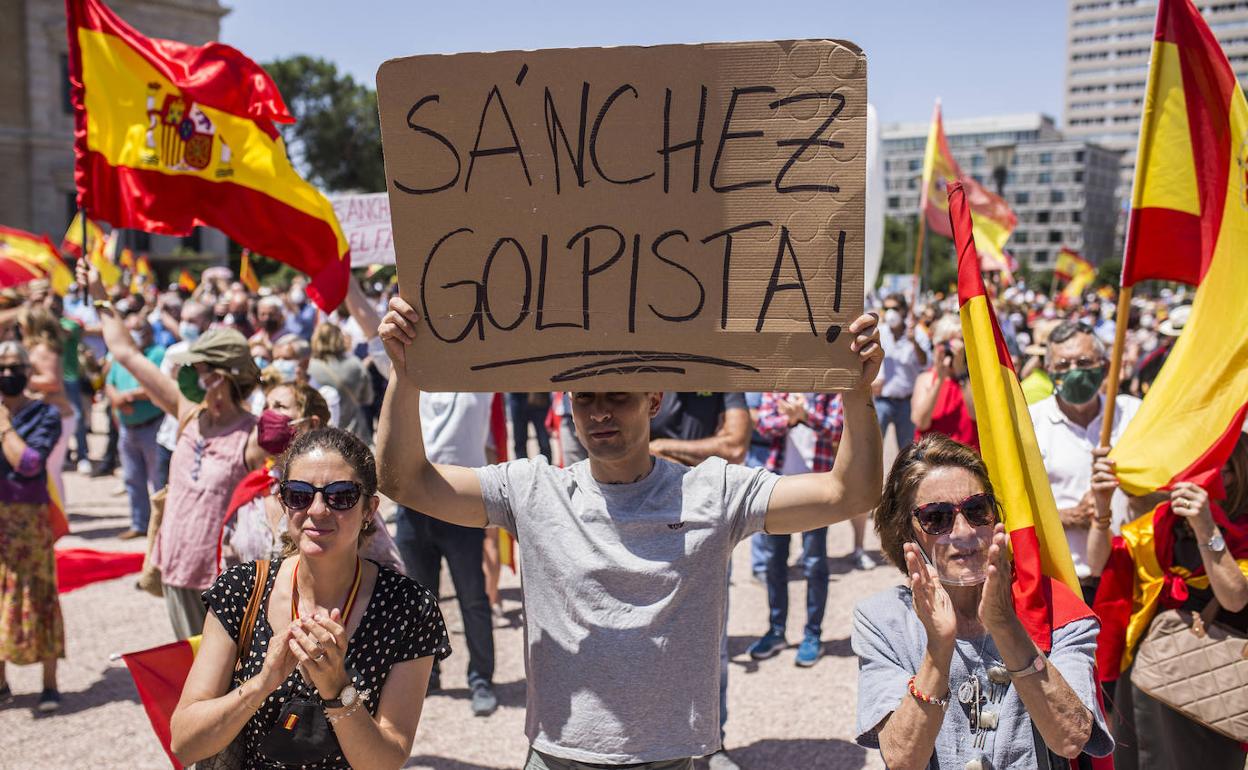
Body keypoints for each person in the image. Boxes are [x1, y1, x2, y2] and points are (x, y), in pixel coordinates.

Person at [375, 296, 884, 770]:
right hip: (557, 756)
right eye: (584, 399)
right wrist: (405, 371)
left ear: (654, 399)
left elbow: (851, 493)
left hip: (673, 756)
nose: (599, 413)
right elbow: (405, 480)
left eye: (618, 397)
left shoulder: (715, 491)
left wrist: (856, 390)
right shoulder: (532, 490)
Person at [170, 428, 450, 769]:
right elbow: (185, 743)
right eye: (300, 494)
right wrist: (261, 684)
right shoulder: (243, 589)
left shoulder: (407, 608)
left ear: (369, 509)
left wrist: (338, 689)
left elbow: (386, 761)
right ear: (283, 501)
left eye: (341, 495)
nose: (318, 509)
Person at [852, 434, 1113, 768]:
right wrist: (938, 648)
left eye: (977, 510)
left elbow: (1071, 738)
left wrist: (1005, 626)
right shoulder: (882, 620)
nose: (963, 531)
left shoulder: (1054, 606)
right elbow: (903, 759)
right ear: (907, 532)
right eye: (937, 517)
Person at [1087, 433, 1248, 770]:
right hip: (1150, 676)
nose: (1212, 478)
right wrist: (1103, 507)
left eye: (1222, 469)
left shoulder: (1240, 529)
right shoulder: (1165, 522)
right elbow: (1100, 562)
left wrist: (1207, 528)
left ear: (1240, 473)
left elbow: (1235, 598)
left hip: (1212, 685)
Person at [219, 381, 403, 574]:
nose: (268, 414)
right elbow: (230, 560)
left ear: (311, 423)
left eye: (279, 406)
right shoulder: (253, 489)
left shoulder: (342, 496)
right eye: (266, 407)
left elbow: (389, 568)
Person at [393, 390, 499, 717]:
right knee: (419, 601)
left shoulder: (477, 384)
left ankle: (481, 679)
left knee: (473, 598)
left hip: (461, 501)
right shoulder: (416, 380)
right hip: (413, 503)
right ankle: (427, 676)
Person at [1029, 320, 1146, 603]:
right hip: (1062, 581)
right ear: (1048, 371)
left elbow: (1161, 489)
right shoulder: (1029, 423)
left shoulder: (1132, 414)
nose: (1074, 372)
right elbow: (1011, 509)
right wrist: (1068, 517)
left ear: (1104, 366)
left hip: (1129, 574)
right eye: (1063, 365)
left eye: (1083, 362)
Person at [747, 392, 847, 669]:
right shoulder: (776, 387)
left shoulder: (828, 390)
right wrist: (790, 420)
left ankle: (812, 635)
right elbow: (764, 425)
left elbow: (837, 428)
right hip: (777, 488)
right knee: (773, 562)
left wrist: (806, 416)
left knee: (815, 564)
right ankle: (776, 630)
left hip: (818, 488)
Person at [0, 341, 65, 712]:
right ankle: (1, 683)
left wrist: (5, 427)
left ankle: (50, 683)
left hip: (28, 520)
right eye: (1, 367)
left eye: (15, 367)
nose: (7, 374)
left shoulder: (45, 414)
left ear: (28, 372)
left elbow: (28, 463)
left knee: (37, 593)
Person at [105, 315, 166, 539]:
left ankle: (160, 528)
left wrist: (128, 397)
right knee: (132, 477)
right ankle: (139, 523)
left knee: (158, 479)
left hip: (152, 426)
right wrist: (116, 398)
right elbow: (109, 382)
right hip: (127, 428)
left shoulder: (157, 354)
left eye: (138, 328)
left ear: (148, 331)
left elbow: (159, 384)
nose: (134, 333)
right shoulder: (120, 356)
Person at [15, 306, 75, 508]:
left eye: (22, 324)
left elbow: (53, 381)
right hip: (54, 414)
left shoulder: (43, 349)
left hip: (58, 414)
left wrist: (21, 379)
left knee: (50, 471)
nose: (19, 328)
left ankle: (57, 516)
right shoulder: (37, 348)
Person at [911, 315, 978, 452]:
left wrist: (961, 372)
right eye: (947, 344)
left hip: (966, 458)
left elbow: (975, 416)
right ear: (936, 346)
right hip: (932, 460)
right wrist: (940, 379)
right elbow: (921, 422)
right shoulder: (926, 378)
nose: (954, 350)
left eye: (959, 343)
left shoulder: (972, 380)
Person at [874, 293, 928, 451]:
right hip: (882, 400)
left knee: (907, 451)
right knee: (874, 448)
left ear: (904, 310)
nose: (890, 312)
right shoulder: (879, 332)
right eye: (887, 308)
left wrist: (914, 343)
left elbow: (925, 362)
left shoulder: (917, 333)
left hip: (907, 402)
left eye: (895, 308)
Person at [308, 323, 373, 445]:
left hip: (323, 436)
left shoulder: (309, 367)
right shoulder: (355, 364)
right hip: (356, 434)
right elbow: (367, 398)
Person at [508, 392, 552, 460]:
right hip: (518, 397)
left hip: (539, 394)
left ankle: (545, 467)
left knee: (544, 442)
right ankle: (522, 469)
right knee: (519, 441)